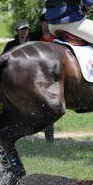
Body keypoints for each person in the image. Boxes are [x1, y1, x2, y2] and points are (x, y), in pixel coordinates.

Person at [29, 14, 56, 142]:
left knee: (49, 107)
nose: (47, 25)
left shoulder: (57, 38)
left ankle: (49, 138)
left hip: (52, 78)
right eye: (45, 22)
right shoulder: (34, 37)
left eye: (49, 22)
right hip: (36, 76)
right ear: (41, 23)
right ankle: (30, 134)